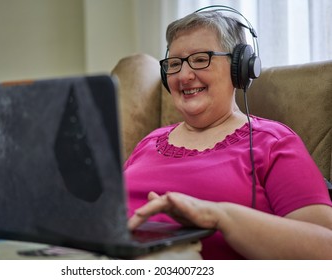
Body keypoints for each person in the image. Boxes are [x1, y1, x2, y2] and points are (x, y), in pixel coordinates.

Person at [124, 9, 332, 259]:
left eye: (201, 59)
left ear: (239, 68)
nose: (184, 76)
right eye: (175, 64)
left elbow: (325, 249)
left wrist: (221, 216)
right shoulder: (148, 142)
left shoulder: (274, 143)